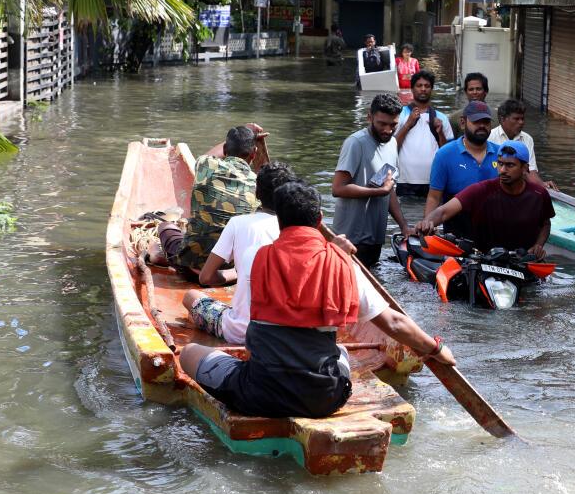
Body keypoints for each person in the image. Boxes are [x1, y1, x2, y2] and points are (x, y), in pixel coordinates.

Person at [178, 179, 456, 419]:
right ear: (320, 219)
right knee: (342, 351)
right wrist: (435, 348)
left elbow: (291, 275)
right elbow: (394, 323)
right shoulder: (342, 264)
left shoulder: (259, 258)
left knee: (189, 353)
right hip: (325, 398)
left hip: (261, 394)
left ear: (279, 222)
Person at [180, 162, 297, 344]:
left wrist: (232, 274)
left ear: (257, 193)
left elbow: (205, 278)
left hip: (240, 330)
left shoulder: (238, 223)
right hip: (284, 333)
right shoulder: (296, 229)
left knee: (191, 296)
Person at [155, 124, 270, 277]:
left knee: (165, 226)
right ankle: (228, 275)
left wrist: (239, 135)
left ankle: (154, 253)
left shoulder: (206, 165)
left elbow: (212, 154)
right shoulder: (258, 183)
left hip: (191, 265)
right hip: (231, 265)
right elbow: (268, 176)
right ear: (254, 153)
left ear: (225, 150)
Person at [417, 141, 554, 258]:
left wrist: (538, 245)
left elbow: (545, 224)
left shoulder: (539, 194)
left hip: (521, 260)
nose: (502, 170)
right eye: (500, 164)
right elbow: (443, 211)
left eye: (510, 165)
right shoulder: (481, 190)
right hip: (484, 259)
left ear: (525, 168)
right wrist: (427, 222)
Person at [331, 93, 411, 266]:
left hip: (375, 238)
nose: (388, 130)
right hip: (350, 239)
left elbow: (389, 190)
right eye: (382, 124)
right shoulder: (355, 143)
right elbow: (338, 188)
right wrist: (379, 191)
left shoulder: (392, 144)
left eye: (393, 125)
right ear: (370, 117)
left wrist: (404, 226)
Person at [425, 100, 500, 237]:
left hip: (494, 233)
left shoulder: (501, 155)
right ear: (462, 122)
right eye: (477, 121)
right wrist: (428, 224)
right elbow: (434, 197)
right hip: (456, 235)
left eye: (486, 122)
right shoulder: (445, 155)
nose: (482, 126)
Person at [393, 70, 452, 197]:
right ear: (412, 89)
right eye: (419, 86)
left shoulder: (441, 118)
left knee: (430, 216)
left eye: (427, 86)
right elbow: (390, 148)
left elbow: (448, 154)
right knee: (405, 216)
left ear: (431, 89)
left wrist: (440, 133)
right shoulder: (400, 114)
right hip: (404, 181)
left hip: (434, 182)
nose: (423, 89)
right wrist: (408, 124)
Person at [489, 98, 556, 190]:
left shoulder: (527, 139)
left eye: (522, 119)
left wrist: (542, 185)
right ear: (502, 119)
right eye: (516, 119)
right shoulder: (490, 137)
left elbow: (530, 170)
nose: (521, 122)